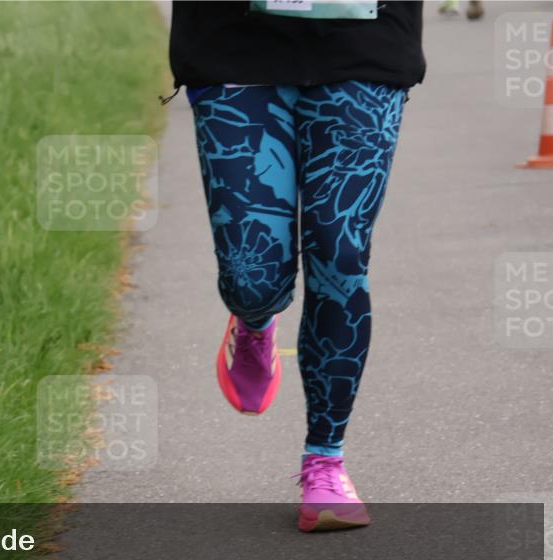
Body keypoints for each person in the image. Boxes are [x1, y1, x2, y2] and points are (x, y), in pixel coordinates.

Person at [168, 0, 425, 531]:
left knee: (340, 252)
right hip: (233, 40)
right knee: (251, 275)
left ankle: (325, 462)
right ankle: (254, 318)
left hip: (365, 39)